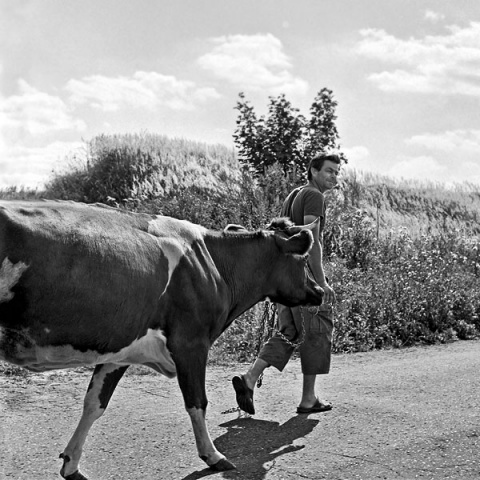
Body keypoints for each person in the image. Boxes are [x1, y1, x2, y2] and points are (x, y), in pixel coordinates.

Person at [232, 152, 341, 415]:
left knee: (289, 332)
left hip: (284, 276)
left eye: (336, 172)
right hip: (303, 278)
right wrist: (321, 282)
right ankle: (308, 399)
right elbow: (310, 240)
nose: (334, 176)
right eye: (329, 171)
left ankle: (249, 379)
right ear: (314, 171)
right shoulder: (314, 196)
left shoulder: (295, 195)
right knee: (316, 331)